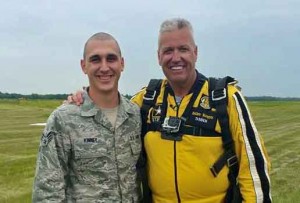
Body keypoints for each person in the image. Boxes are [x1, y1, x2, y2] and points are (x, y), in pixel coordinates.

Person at [68, 18, 272, 202]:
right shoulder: (146, 99)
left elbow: (253, 168)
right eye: (168, 51)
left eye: (183, 49)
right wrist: (82, 98)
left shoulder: (224, 98)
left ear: (195, 53)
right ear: (158, 57)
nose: (176, 58)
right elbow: (108, 110)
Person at [32, 32, 142, 202]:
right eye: (95, 59)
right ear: (84, 66)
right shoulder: (63, 120)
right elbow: (47, 191)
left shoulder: (135, 115)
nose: (104, 67)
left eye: (111, 58)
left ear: (122, 63)